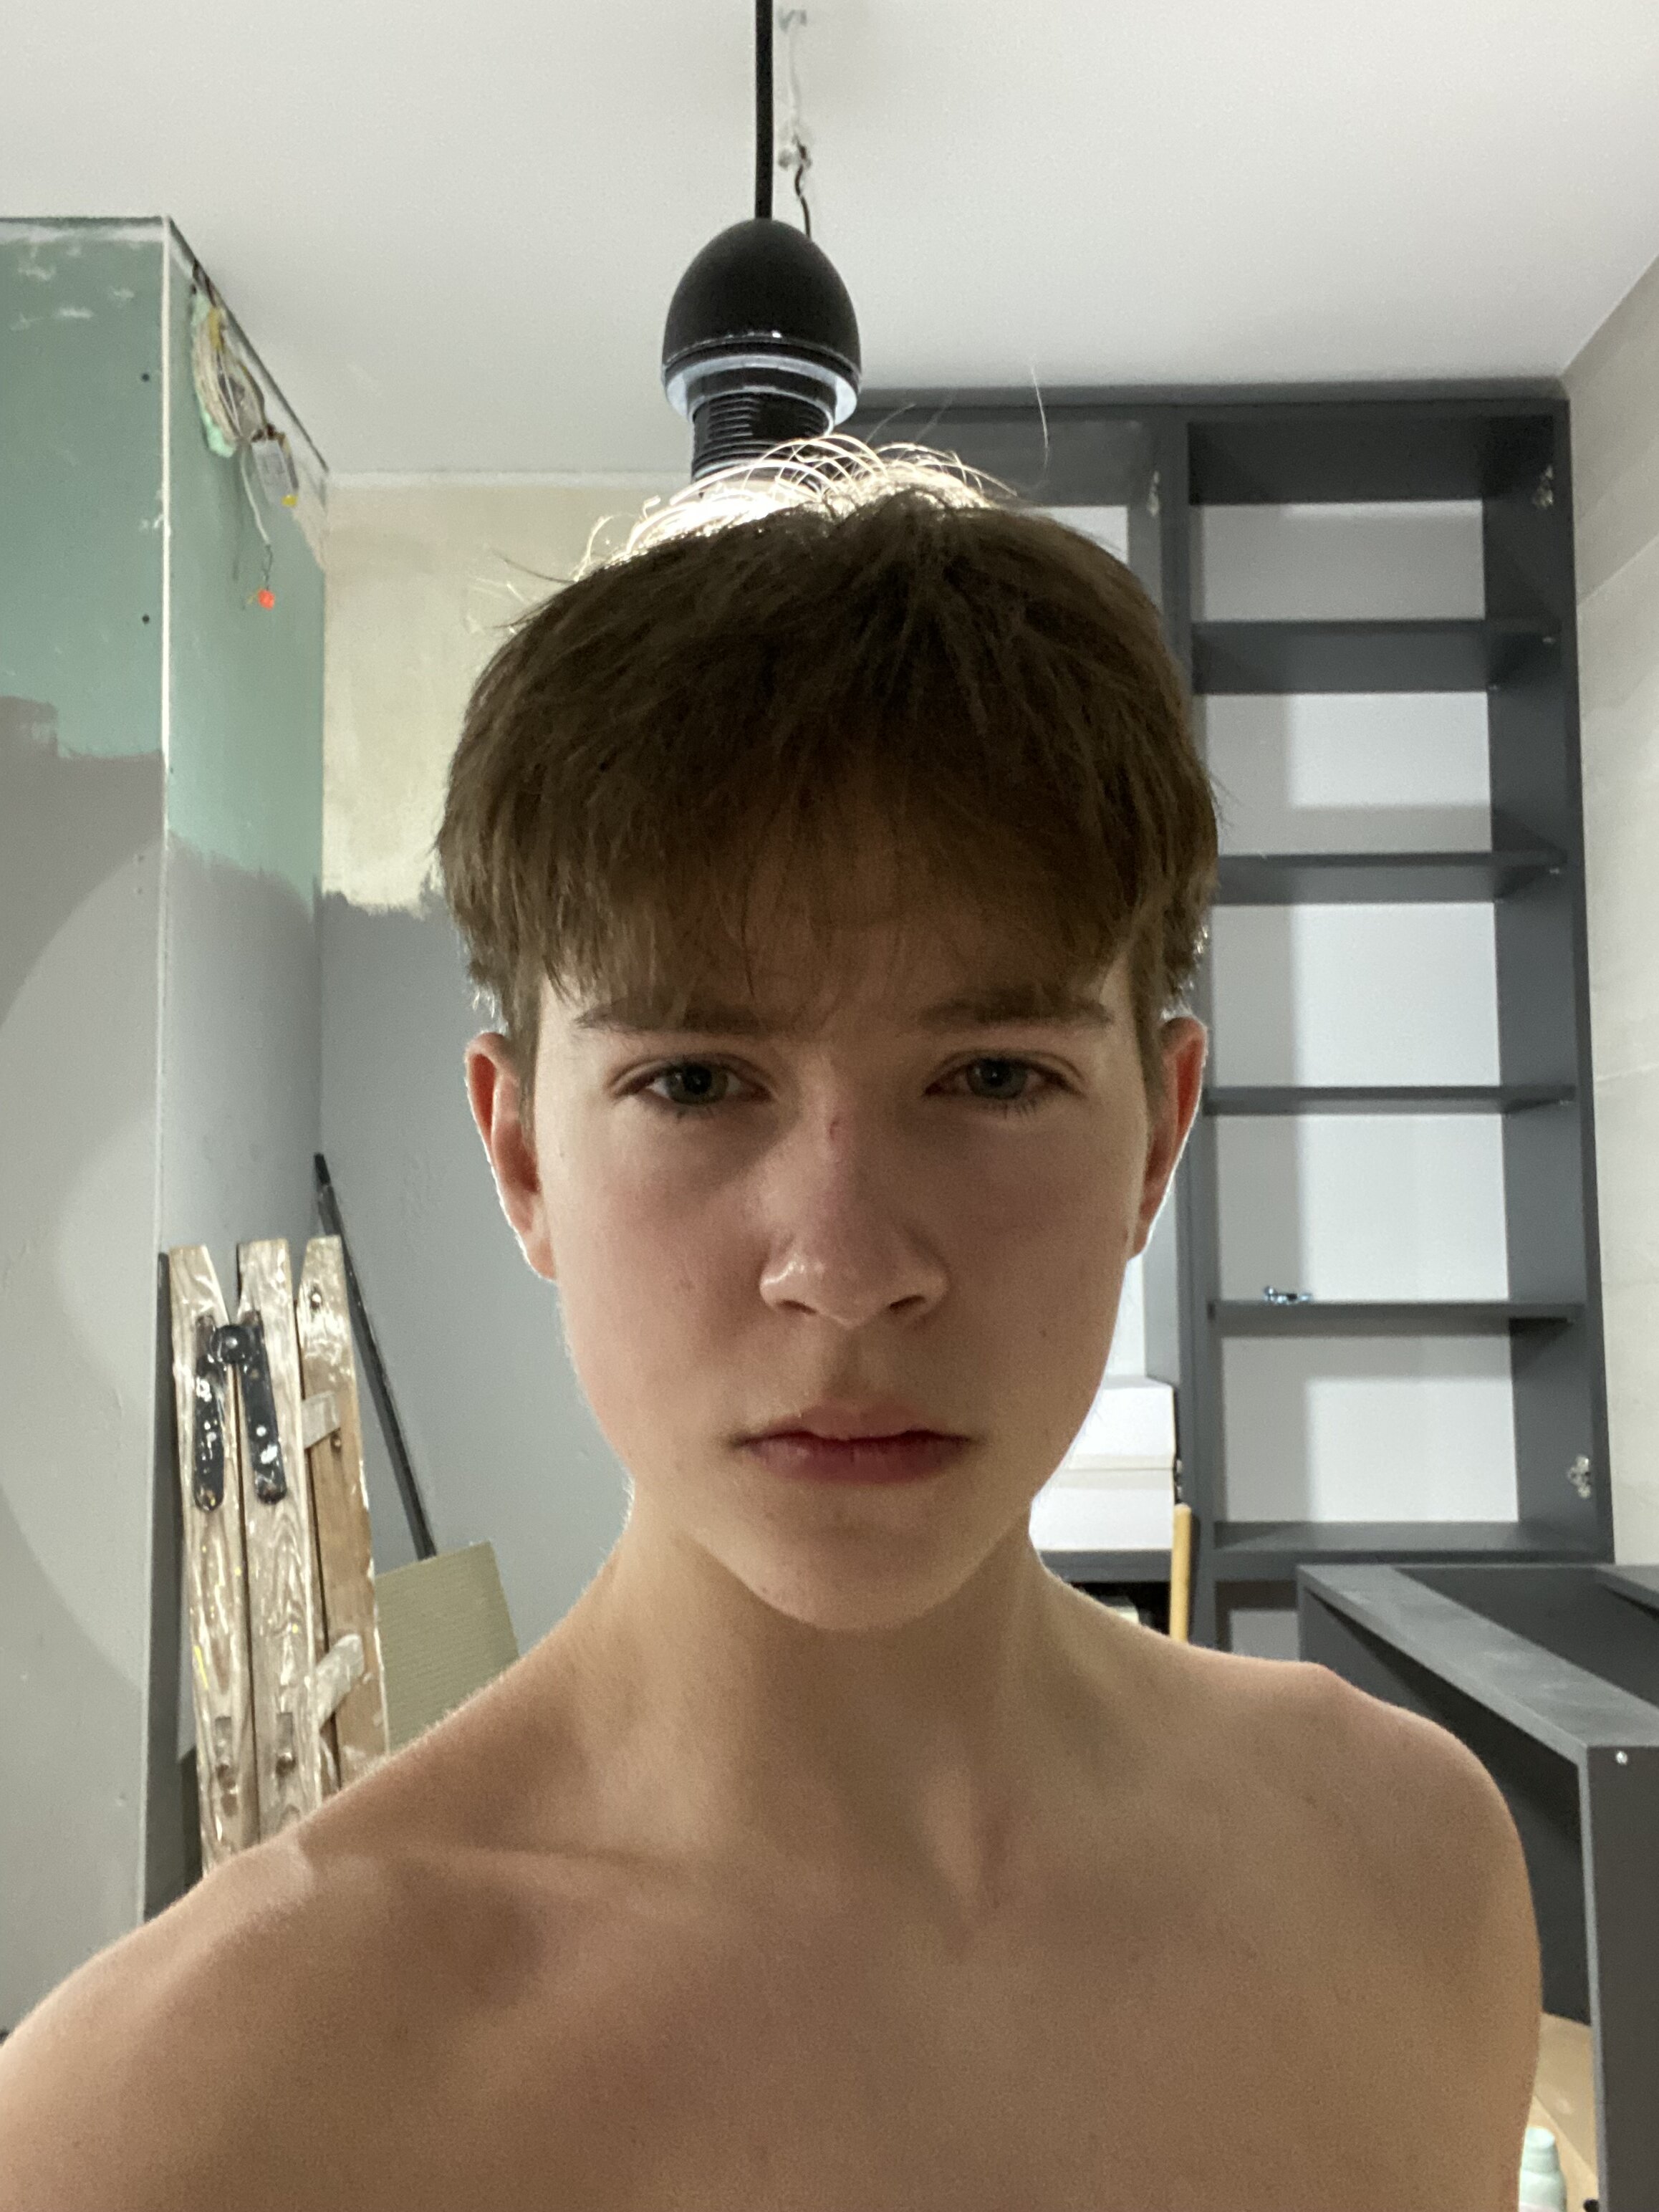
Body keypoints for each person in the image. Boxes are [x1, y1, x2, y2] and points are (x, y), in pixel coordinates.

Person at [0, 443, 1541, 2210]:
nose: (846, 1264)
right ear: (521, 1155)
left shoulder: (1408, 1877)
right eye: (697, 1079)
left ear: (1158, 1135)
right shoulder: (178, 2116)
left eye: (993, 1075)